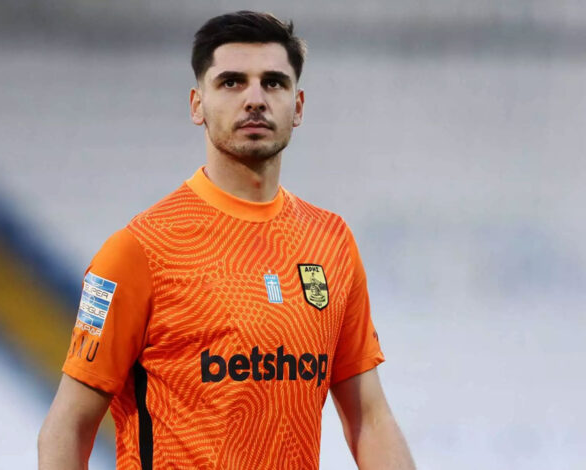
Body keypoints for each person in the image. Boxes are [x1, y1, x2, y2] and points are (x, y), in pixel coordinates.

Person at [38, 10, 415, 470]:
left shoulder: (331, 241)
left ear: (298, 106)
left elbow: (370, 418)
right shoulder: (139, 250)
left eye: (273, 83)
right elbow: (67, 427)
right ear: (197, 105)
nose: (255, 99)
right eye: (232, 82)